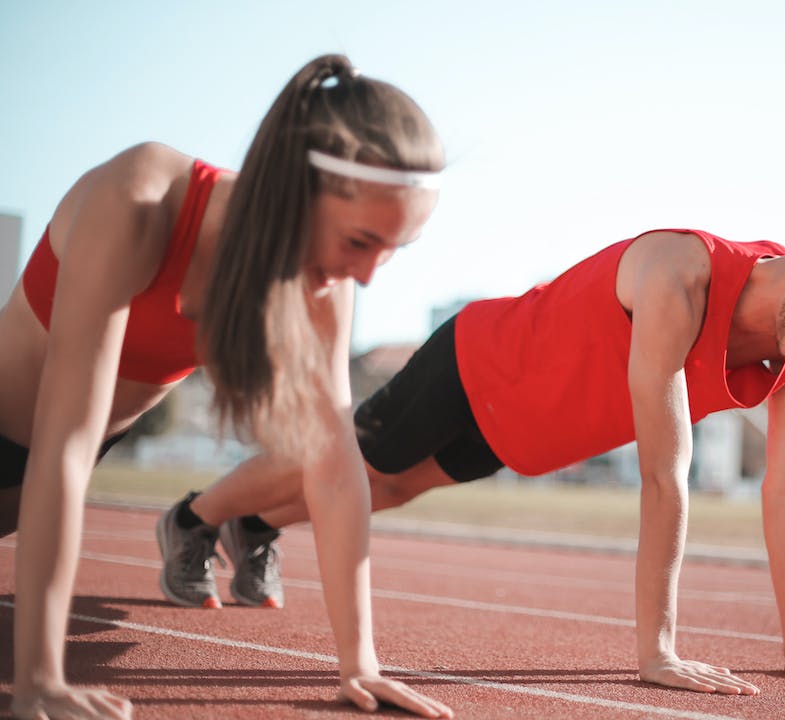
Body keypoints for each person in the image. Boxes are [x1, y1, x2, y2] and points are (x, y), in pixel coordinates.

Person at [167, 217, 785, 696]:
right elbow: (666, 474)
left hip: (528, 431)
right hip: (481, 362)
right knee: (357, 464)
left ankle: (254, 529)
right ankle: (194, 519)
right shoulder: (679, 274)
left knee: (389, 491)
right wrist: (656, 651)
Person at [2, 55, 453, 719]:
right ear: (294, 187)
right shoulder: (140, 201)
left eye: (392, 250)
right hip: (38, 438)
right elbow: (62, 447)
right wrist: (38, 679)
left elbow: (333, 472)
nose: (368, 276)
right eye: (361, 241)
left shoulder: (317, 285)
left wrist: (360, 666)